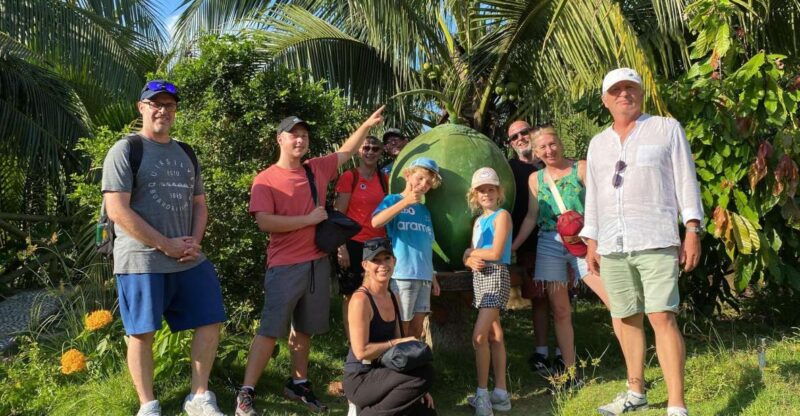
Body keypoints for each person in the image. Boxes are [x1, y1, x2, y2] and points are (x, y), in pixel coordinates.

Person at [238, 107, 385, 415]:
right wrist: (307, 219)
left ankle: (299, 383)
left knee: (303, 329)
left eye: (305, 136)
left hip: (317, 263)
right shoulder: (266, 179)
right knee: (269, 329)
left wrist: (367, 124)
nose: (300, 141)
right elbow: (264, 222)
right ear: (280, 139)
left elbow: (345, 152)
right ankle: (247, 391)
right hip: (284, 265)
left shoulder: (315, 169)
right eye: (294, 135)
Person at [581, 68, 703, 416]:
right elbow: (595, 197)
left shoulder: (666, 129)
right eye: (615, 90)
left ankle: (677, 404)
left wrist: (692, 229)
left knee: (661, 316)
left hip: (656, 237)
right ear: (605, 100)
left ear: (641, 93)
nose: (624, 94)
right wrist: (591, 240)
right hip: (612, 244)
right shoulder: (598, 143)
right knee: (625, 317)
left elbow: (686, 181)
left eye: (630, 88)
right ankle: (636, 393)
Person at [102, 80, 227, 416]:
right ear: (141, 108)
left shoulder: (186, 152)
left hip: (188, 257)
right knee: (142, 333)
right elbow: (117, 210)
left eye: (169, 105)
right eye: (155, 104)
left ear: (175, 111)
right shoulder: (126, 149)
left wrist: (193, 242)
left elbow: (200, 204)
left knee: (211, 318)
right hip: (142, 259)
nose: (163, 110)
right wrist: (165, 244)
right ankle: (148, 404)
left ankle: (199, 396)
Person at [512, 127, 622, 388]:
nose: (549, 151)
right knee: (560, 311)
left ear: (560, 143)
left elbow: (601, 204)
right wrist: (513, 246)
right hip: (549, 244)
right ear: (536, 152)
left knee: (614, 301)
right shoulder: (535, 180)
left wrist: (595, 242)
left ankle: (633, 359)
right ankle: (571, 373)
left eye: (552, 144)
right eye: (542, 148)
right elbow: (531, 217)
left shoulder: (581, 168)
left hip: (585, 242)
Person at [344, 237, 436, 415]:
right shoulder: (360, 300)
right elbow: (361, 351)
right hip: (360, 378)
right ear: (365, 265)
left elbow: (401, 349)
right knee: (425, 374)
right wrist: (396, 343)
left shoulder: (393, 296)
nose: (383, 265)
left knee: (426, 410)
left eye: (387, 258)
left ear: (394, 261)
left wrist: (420, 391)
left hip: (385, 372)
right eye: (375, 260)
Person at [371, 157, 442, 339]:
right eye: (420, 178)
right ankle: (397, 365)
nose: (423, 184)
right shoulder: (393, 199)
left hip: (424, 276)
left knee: (417, 329)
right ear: (408, 175)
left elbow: (427, 245)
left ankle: (411, 364)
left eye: (428, 182)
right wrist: (405, 202)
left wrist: (432, 276)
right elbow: (376, 221)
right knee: (401, 326)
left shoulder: (425, 211)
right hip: (403, 274)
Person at [463, 168, 513, 416]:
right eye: (481, 190)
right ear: (475, 195)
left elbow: (495, 253)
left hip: (495, 277)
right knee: (494, 334)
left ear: (498, 191)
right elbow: (469, 253)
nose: (486, 194)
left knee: (479, 337)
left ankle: (482, 393)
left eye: (490, 189)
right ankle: (501, 394)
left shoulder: (502, 216)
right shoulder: (479, 221)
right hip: (479, 279)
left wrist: (470, 254)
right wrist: (468, 258)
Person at [505, 121, 552, 374]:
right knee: (539, 299)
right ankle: (542, 351)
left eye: (525, 132)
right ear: (511, 143)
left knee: (562, 298)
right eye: (515, 136)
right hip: (528, 243)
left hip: (560, 240)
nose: (521, 138)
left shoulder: (551, 161)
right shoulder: (509, 170)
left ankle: (565, 350)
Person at [334, 136, 389, 340]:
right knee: (351, 295)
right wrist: (341, 248)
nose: (370, 152)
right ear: (359, 151)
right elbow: (338, 214)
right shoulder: (349, 177)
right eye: (366, 147)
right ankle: (353, 344)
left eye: (375, 149)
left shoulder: (385, 179)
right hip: (353, 243)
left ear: (381, 153)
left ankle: (372, 341)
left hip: (378, 244)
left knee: (376, 293)